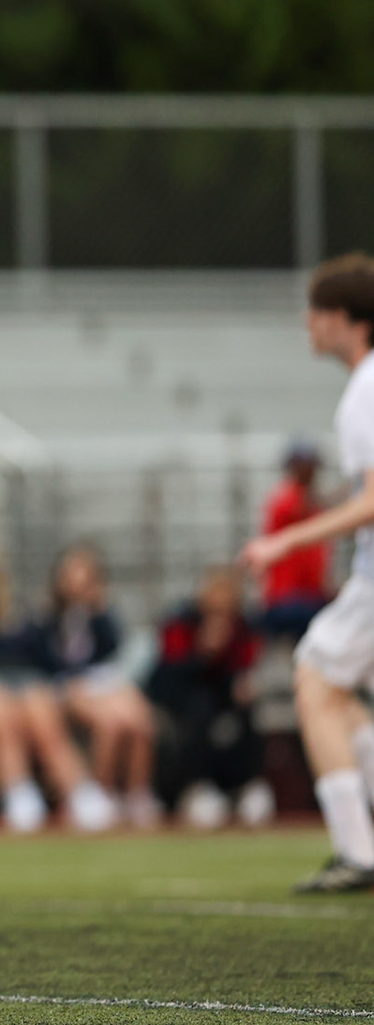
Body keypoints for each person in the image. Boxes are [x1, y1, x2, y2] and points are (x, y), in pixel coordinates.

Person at [242, 254, 374, 892]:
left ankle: (358, 850)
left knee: (316, 677)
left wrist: (283, 541)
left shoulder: (366, 388)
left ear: (349, 321)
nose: (308, 323)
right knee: (340, 692)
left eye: (319, 312)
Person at [0, 547, 115, 833]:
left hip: (22, 680)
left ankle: (81, 791)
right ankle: (19, 792)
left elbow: (42, 656)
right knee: (1, 713)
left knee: (42, 713)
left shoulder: (19, 612)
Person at [42, 544, 161, 828]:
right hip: (71, 684)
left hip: (105, 680)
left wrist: (96, 610)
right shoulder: (49, 618)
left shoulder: (103, 615)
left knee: (139, 721)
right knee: (110, 725)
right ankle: (101, 792)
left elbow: (112, 649)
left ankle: (137, 792)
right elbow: (50, 660)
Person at [145, 566, 273, 828]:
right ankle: (196, 787)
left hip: (224, 701)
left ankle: (246, 785)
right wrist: (203, 653)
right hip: (183, 701)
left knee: (247, 716)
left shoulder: (243, 627)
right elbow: (167, 678)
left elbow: (243, 670)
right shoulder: (180, 623)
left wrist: (240, 684)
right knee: (200, 710)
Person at [259, 441, 334, 639]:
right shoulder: (286, 498)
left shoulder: (310, 502)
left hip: (312, 594)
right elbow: (300, 508)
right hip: (287, 598)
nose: (310, 472)